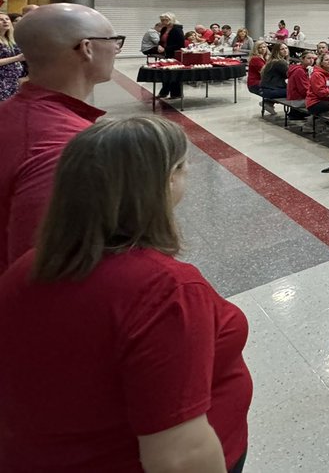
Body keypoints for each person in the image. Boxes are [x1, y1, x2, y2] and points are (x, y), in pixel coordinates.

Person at [0, 116, 252, 471]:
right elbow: (180, 457)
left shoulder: (25, 269)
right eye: (181, 168)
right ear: (163, 182)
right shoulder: (164, 290)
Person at [0, 4, 116, 273]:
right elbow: (48, 265)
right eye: (113, 41)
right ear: (87, 48)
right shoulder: (64, 145)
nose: (116, 50)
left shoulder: (13, 113)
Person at [154, 13, 186, 99]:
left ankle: (176, 93)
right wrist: (160, 46)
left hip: (175, 54)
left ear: (171, 19)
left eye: (165, 20)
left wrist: (166, 49)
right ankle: (164, 92)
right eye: (162, 20)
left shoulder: (177, 30)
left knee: (174, 74)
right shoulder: (164, 29)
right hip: (167, 54)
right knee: (166, 74)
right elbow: (161, 41)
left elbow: (180, 45)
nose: (163, 22)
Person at [257, 43, 290, 114]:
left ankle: (268, 102)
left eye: (286, 48)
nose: (285, 50)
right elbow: (290, 75)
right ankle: (296, 115)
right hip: (270, 90)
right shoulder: (280, 62)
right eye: (282, 49)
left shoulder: (273, 61)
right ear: (277, 51)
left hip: (265, 89)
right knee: (297, 91)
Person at [0, 12, 25, 102]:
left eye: (7, 19)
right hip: (2, 81)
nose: (5, 22)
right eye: (1, 20)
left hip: (13, 80)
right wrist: (17, 58)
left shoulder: (11, 39)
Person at [305, 52, 329, 116]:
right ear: (321, 63)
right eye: (326, 60)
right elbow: (321, 92)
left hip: (328, 99)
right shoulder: (317, 74)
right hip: (315, 102)